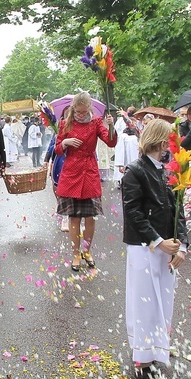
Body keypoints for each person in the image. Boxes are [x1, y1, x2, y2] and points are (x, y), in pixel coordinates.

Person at [121, 119, 188, 379]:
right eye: (169, 141)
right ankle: (144, 362)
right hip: (145, 247)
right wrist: (158, 241)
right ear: (160, 142)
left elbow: (178, 210)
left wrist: (182, 244)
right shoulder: (135, 172)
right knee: (144, 303)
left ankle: (156, 349)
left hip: (166, 249)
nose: (171, 146)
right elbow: (133, 213)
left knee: (163, 301)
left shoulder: (169, 172)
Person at [54, 92, 116, 271]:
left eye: (83, 112)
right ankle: (75, 254)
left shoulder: (96, 122)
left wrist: (111, 127)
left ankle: (87, 251)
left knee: (90, 218)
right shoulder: (65, 123)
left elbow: (110, 142)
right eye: (77, 112)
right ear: (73, 108)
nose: (80, 115)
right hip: (71, 172)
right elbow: (58, 150)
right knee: (74, 218)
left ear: (89, 108)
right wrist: (65, 142)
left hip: (89, 172)